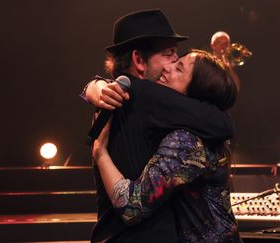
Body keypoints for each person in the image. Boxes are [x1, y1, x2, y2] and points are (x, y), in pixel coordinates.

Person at [82, 10, 235, 242]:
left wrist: (93, 86)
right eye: (169, 54)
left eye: (178, 61)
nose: (173, 61)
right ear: (139, 60)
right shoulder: (143, 94)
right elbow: (222, 124)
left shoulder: (115, 96)